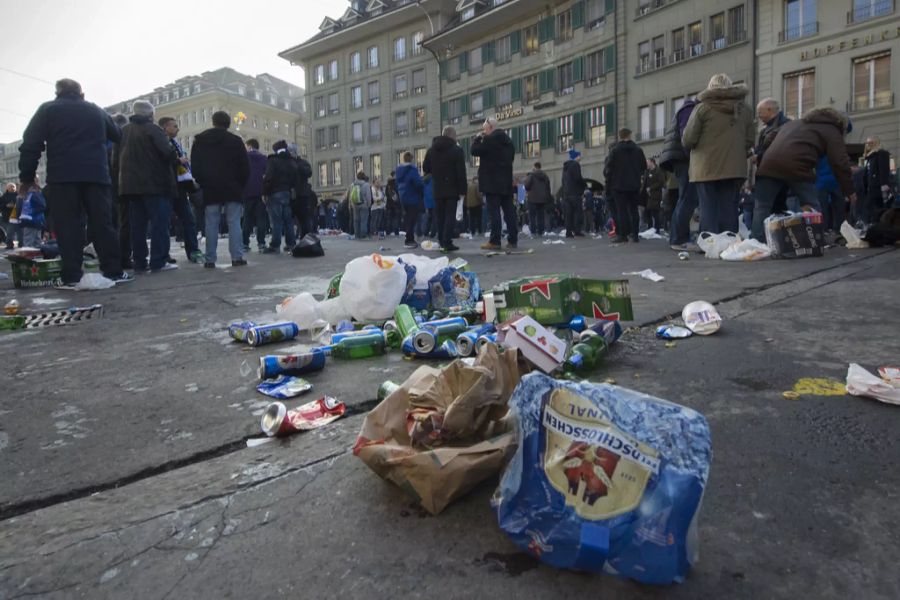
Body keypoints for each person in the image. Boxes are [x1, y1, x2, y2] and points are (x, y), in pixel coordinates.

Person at [18, 78, 130, 287]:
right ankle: (114, 271)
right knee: (103, 224)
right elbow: (117, 134)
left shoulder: (47, 110)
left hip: (63, 177)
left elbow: (31, 144)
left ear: (57, 93)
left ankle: (71, 276)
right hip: (96, 175)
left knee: (68, 225)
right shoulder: (96, 110)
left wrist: (27, 177)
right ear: (81, 94)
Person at [754, 107, 853, 242]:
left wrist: (764, 157)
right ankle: (815, 239)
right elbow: (840, 162)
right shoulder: (832, 130)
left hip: (769, 164)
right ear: (842, 124)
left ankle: (756, 241)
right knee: (812, 205)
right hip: (797, 166)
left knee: (762, 206)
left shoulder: (794, 123)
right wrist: (849, 191)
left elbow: (770, 138)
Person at [682, 73, 755, 235]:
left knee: (707, 206)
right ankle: (729, 241)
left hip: (705, 167)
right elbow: (750, 141)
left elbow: (688, 139)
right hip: (734, 167)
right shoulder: (745, 110)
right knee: (729, 206)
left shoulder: (702, 108)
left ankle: (709, 242)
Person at [114, 100, 179, 273]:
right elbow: (167, 153)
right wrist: (176, 159)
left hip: (130, 187)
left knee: (138, 226)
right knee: (159, 224)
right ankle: (158, 261)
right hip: (154, 185)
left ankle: (140, 263)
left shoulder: (123, 131)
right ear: (150, 115)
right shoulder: (153, 129)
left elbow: (115, 160)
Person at [191, 110, 250, 268]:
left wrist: (202, 181)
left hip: (210, 187)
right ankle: (237, 257)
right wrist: (240, 184)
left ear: (213, 122)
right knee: (234, 222)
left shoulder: (200, 140)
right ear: (228, 123)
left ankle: (210, 259)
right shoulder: (236, 141)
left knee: (211, 223)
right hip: (232, 187)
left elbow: (195, 167)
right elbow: (245, 167)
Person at [158, 117, 203, 264]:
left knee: (188, 219)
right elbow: (161, 161)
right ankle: (164, 254)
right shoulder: (161, 141)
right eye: (175, 126)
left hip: (180, 187)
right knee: (164, 221)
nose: (178, 129)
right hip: (167, 186)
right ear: (165, 127)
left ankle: (193, 250)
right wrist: (179, 161)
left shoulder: (175, 143)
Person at [659, 96, 699, 250]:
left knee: (685, 199)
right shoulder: (689, 110)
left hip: (679, 158)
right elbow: (686, 138)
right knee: (687, 199)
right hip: (684, 159)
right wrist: (692, 157)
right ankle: (679, 239)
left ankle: (678, 238)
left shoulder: (685, 109)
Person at [471, 116, 517, 250]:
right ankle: (513, 239)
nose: (483, 131)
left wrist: (478, 138)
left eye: (484, 129)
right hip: (506, 181)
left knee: (494, 212)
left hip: (491, 181)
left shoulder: (489, 139)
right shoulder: (509, 143)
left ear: (490, 127)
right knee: (509, 211)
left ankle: (495, 240)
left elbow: (474, 151)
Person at [423, 125, 467, 253]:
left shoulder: (431, 150)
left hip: (437, 188)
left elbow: (426, 168)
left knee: (440, 216)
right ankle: (447, 241)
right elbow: (461, 172)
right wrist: (462, 190)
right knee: (449, 216)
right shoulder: (457, 150)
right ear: (452, 136)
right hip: (452, 188)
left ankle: (441, 240)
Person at [604, 128, 647, 243]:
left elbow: (608, 168)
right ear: (630, 135)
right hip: (634, 185)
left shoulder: (615, 150)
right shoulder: (638, 150)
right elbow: (644, 166)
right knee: (634, 210)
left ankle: (622, 235)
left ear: (620, 136)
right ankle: (635, 235)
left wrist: (610, 181)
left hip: (619, 185)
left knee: (621, 211)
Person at [261, 140, 298, 253]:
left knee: (276, 220)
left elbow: (268, 178)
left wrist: (264, 192)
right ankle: (291, 243)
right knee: (288, 220)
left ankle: (275, 245)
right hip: (287, 193)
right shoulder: (291, 161)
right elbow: (295, 178)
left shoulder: (273, 161)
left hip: (275, 193)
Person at [242, 139, 269, 252]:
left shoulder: (244, 158)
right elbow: (267, 176)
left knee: (247, 219)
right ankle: (261, 243)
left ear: (249, 146)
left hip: (247, 192)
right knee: (261, 219)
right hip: (261, 193)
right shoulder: (264, 159)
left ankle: (245, 244)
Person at [395, 152, 424, 249]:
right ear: (411, 159)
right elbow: (418, 183)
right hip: (412, 197)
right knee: (412, 218)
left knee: (408, 218)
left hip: (403, 196)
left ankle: (409, 238)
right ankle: (409, 239)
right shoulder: (412, 169)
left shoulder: (399, 170)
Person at [863, 137, 892, 225]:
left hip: (878, 187)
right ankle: (875, 225)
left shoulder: (881, 154)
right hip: (871, 187)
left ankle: (876, 225)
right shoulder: (870, 157)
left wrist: (884, 185)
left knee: (874, 207)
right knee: (874, 207)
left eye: (871, 142)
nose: (869, 145)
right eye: (867, 143)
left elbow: (884, 170)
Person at [561, 149, 587, 237]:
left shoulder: (565, 167)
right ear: (576, 156)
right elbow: (578, 178)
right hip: (575, 193)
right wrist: (584, 184)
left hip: (567, 194)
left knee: (569, 214)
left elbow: (563, 181)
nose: (580, 157)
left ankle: (568, 232)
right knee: (577, 213)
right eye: (579, 156)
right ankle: (577, 230)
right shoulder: (575, 165)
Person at [17, 178, 46, 248]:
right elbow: (43, 206)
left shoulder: (25, 195)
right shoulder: (35, 193)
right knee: (37, 241)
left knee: (28, 241)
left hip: (28, 219)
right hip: (36, 219)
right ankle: (37, 256)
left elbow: (19, 208)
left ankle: (28, 257)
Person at [524, 163, 551, 237]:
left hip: (532, 198)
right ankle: (540, 231)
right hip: (542, 199)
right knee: (541, 215)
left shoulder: (531, 176)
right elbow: (548, 187)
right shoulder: (545, 176)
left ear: (535, 167)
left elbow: (527, 186)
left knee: (532, 215)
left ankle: (533, 231)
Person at [293, 150, 314, 237]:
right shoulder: (289, 162)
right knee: (293, 219)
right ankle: (293, 240)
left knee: (304, 218)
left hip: (301, 194)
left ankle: (305, 237)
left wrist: (298, 167)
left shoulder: (302, 163)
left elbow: (309, 172)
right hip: (294, 193)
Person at [347, 171, 373, 240]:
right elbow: (368, 196)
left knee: (356, 220)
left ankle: (357, 235)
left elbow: (350, 195)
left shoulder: (353, 184)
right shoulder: (366, 185)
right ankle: (363, 235)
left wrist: (351, 204)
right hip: (363, 204)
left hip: (355, 204)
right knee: (363, 220)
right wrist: (369, 204)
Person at [643, 158, 665, 233]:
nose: (646, 164)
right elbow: (645, 182)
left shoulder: (658, 171)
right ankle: (650, 227)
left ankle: (657, 229)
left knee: (655, 212)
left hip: (655, 195)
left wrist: (651, 188)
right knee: (648, 211)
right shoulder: (647, 171)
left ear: (652, 162)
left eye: (647, 162)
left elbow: (661, 182)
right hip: (647, 195)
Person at [1, 183, 17, 249]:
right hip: (8, 217)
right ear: (7, 188)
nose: (12, 188)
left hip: (18, 216)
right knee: (10, 231)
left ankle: (22, 244)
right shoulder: (3, 197)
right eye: (11, 187)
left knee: (21, 232)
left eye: (13, 187)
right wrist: (6, 205)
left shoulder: (19, 195)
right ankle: (9, 244)